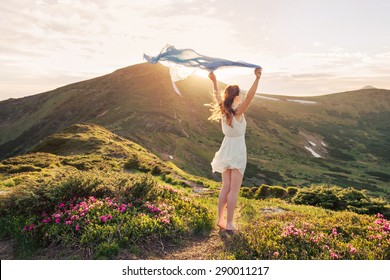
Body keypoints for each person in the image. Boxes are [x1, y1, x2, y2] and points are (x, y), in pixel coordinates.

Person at [208, 67, 262, 233]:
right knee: (234, 189)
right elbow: (251, 97)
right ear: (237, 96)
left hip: (226, 148)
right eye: (240, 94)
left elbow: (217, 95)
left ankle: (220, 219)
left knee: (225, 187)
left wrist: (214, 82)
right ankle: (230, 223)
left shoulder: (224, 110)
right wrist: (257, 79)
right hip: (237, 149)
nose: (242, 96)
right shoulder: (238, 112)